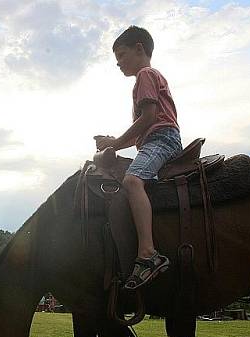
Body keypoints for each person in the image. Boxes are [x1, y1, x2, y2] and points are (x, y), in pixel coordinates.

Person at [95, 25, 182, 290]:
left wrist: (115, 143)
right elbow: (140, 131)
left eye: (121, 55)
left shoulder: (145, 74)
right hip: (154, 138)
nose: (118, 63)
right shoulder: (148, 77)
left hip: (161, 139)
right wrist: (115, 145)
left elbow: (150, 119)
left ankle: (147, 254)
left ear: (139, 49)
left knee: (133, 181)